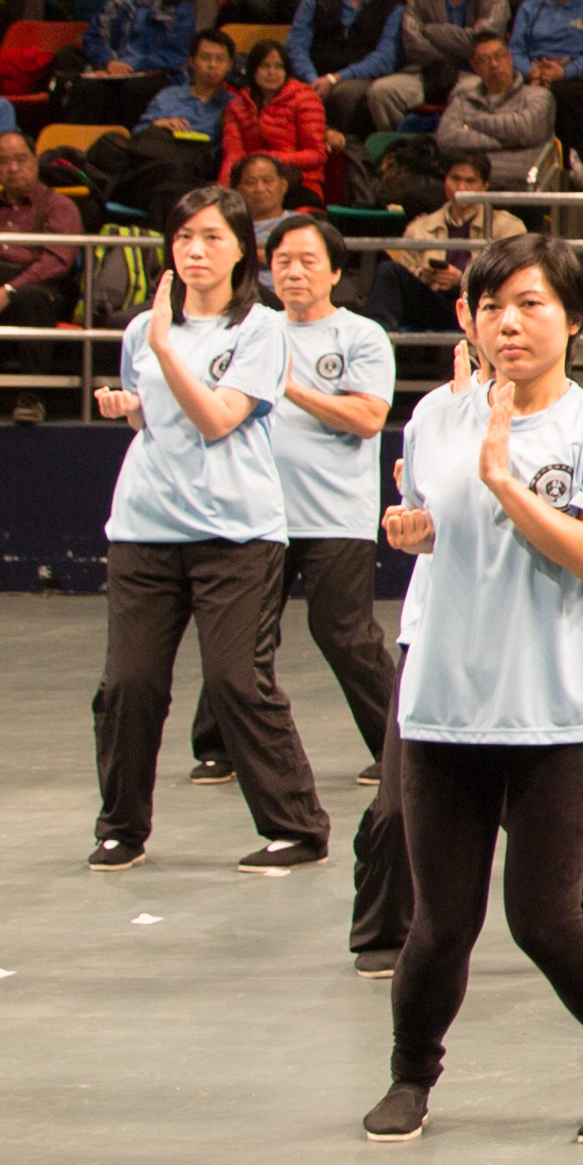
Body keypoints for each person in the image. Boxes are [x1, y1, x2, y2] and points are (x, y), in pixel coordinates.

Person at [359, 241, 583, 1146]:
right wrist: (409, 530)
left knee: (545, 920)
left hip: (556, 714)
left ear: (571, 319)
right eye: (491, 304)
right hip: (445, 705)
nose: (509, 322)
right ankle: (411, 1080)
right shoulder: (434, 418)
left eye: (531, 304)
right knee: (439, 925)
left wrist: (503, 480)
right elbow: (431, 533)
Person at [88, 193, 329, 875]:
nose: (195, 250)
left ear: (238, 251)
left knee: (236, 683)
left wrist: (166, 355)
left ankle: (296, 827)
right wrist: (132, 407)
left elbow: (220, 419)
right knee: (128, 686)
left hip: (237, 535)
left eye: (212, 238)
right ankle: (121, 828)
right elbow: (161, 419)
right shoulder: (143, 329)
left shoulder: (261, 329)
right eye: (184, 237)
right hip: (144, 529)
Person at [201, 220, 399, 822]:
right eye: (282, 261)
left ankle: (397, 747)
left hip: (335, 514)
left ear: (335, 271)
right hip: (257, 512)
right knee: (240, 633)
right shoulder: (249, 331)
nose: (294, 272)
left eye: (308, 261)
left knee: (344, 633)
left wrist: (290, 389)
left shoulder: (361, 335)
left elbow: (367, 419)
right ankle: (217, 747)